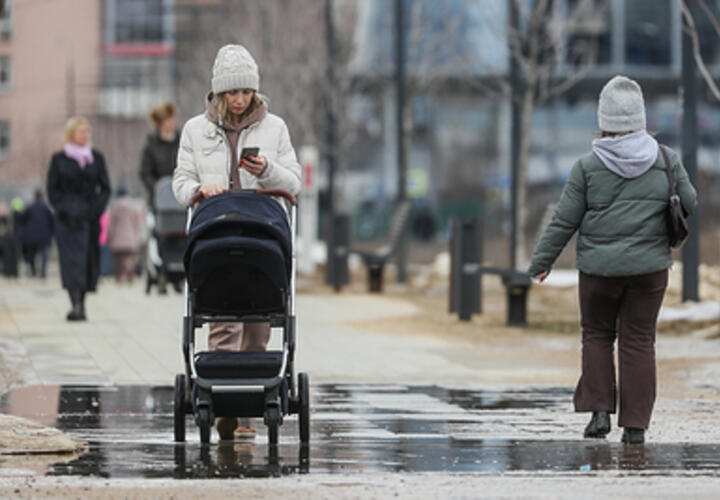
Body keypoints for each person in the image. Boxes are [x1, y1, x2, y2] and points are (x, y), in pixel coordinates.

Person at [528, 76, 698, 445]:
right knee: (638, 340)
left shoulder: (587, 167)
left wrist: (541, 261)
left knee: (597, 335)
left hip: (599, 272)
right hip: (650, 271)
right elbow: (692, 203)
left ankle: (600, 411)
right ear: (640, 118)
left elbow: (565, 220)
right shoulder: (667, 159)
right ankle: (635, 427)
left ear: (603, 120)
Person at [173, 44, 302, 440]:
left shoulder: (275, 128)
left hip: (259, 234)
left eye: (246, 92)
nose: (240, 99)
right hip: (216, 233)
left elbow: (294, 183)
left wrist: (267, 170)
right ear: (219, 93)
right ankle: (222, 404)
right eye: (233, 92)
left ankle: (248, 410)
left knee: (259, 322)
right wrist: (199, 188)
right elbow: (179, 184)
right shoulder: (196, 130)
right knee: (221, 320)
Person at [47, 117, 111, 321]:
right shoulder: (59, 159)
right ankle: (74, 302)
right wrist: (64, 209)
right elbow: (52, 190)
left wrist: (95, 210)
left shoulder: (96, 158)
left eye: (86, 132)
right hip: (66, 221)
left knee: (87, 260)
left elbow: (105, 188)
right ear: (71, 134)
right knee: (70, 262)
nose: (84, 136)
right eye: (80, 132)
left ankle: (81, 302)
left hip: (90, 219)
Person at [140, 102, 180, 205]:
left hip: (180, 195)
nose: (173, 122)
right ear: (161, 123)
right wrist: (159, 188)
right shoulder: (151, 146)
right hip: (159, 200)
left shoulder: (182, 141)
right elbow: (145, 174)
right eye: (170, 119)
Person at [107, 187, 143, 283]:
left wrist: (109, 236)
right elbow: (137, 223)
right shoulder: (133, 207)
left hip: (117, 238)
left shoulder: (114, 207)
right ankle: (129, 270)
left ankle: (120, 277)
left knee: (118, 260)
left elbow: (111, 224)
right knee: (129, 258)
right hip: (130, 237)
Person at [19, 189, 54, 278]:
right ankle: (43, 272)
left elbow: (23, 220)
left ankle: (34, 271)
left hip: (32, 236)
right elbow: (52, 221)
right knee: (44, 254)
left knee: (31, 254)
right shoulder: (46, 207)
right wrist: (52, 234)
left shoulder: (30, 207)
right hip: (44, 235)